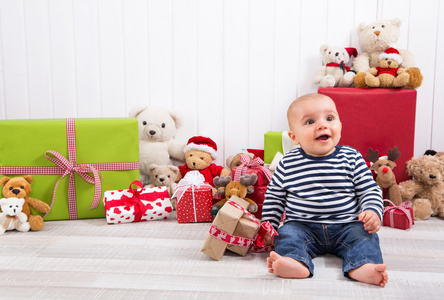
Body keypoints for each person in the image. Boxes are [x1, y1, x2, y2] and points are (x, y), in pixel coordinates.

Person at [262, 93, 388, 287]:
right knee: (286, 234)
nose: (322, 125)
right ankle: (295, 261)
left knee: (365, 237)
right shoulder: (287, 162)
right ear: (294, 137)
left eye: (329, 119)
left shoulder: (351, 157)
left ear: (340, 126)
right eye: (310, 121)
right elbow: (275, 196)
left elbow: (368, 189)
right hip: (302, 226)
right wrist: (268, 225)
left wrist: (372, 211)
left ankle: (363, 266)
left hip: (347, 225)